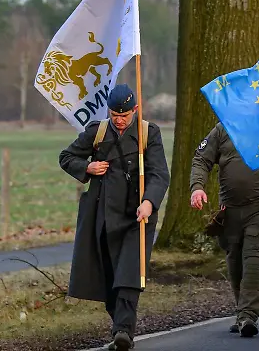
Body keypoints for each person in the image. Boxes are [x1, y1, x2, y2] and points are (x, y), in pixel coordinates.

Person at [59, 84, 170, 351]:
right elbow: (66, 157)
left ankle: (123, 332)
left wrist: (149, 202)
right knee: (109, 276)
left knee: (130, 274)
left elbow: (159, 174)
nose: (119, 120)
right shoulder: (97, 132)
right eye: (114, 115)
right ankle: (120, 325)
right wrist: (87, 166)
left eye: (124, 115)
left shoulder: (148, 133)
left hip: (137, 214)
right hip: (103, 215)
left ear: (134, 110)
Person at [190, 122, 259, 338]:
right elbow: (201, 158)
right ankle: (242, 312)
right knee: (235, 262)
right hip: (230, 210)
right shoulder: (223, 129)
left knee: (253, 260)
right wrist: (197, 187)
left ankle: (248, 315)